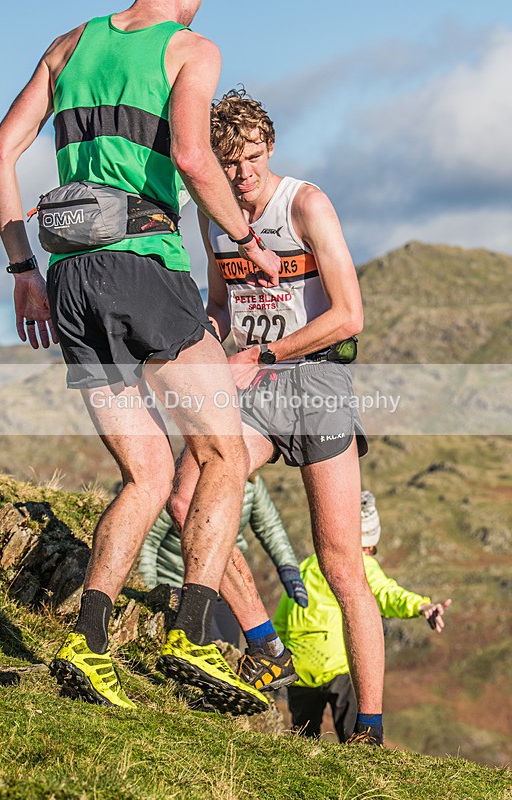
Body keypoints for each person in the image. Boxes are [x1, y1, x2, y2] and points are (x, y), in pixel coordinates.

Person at [0, 2, 281, 716]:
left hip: (69, 280)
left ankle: (88, 642)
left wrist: (22, 269)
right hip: (142, 263)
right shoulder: (189, 49)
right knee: (223, 452)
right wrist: (245, 239)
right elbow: (189, 156)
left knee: (147, 473)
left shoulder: (68, 45)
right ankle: (192, 636)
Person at [167, 89, 387, 743]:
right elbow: (219, 306)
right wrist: (195, 350)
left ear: (270, 150)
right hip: (252, 386)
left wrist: (265, 351)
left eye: (254, 159)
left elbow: (350, 316)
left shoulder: (306, 204)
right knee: (185, 499)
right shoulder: (214, 219)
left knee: (342, 563)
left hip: (317, 383)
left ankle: (368, 728)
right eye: (229, 164)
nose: (243, 176)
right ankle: (264, 642)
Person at [274, 490, 452, 741]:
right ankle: (360, 771)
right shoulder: (359, 565)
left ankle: (299, 774)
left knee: (303, 736)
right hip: (339, 665)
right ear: (367, 543)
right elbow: (386, 593)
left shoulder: (309, 564)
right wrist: (421, 606)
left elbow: (282, 617)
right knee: (354, 737)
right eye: (370, 548)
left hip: (300, 668)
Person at [139, 473, 308, 647]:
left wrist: (288, 568)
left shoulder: (251, 482)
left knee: (229, 649)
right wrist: (149, 588)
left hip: (224, 586)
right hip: (178, 584)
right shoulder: (184, 483)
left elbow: (270, 528)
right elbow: (149, 538)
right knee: (205, 644)